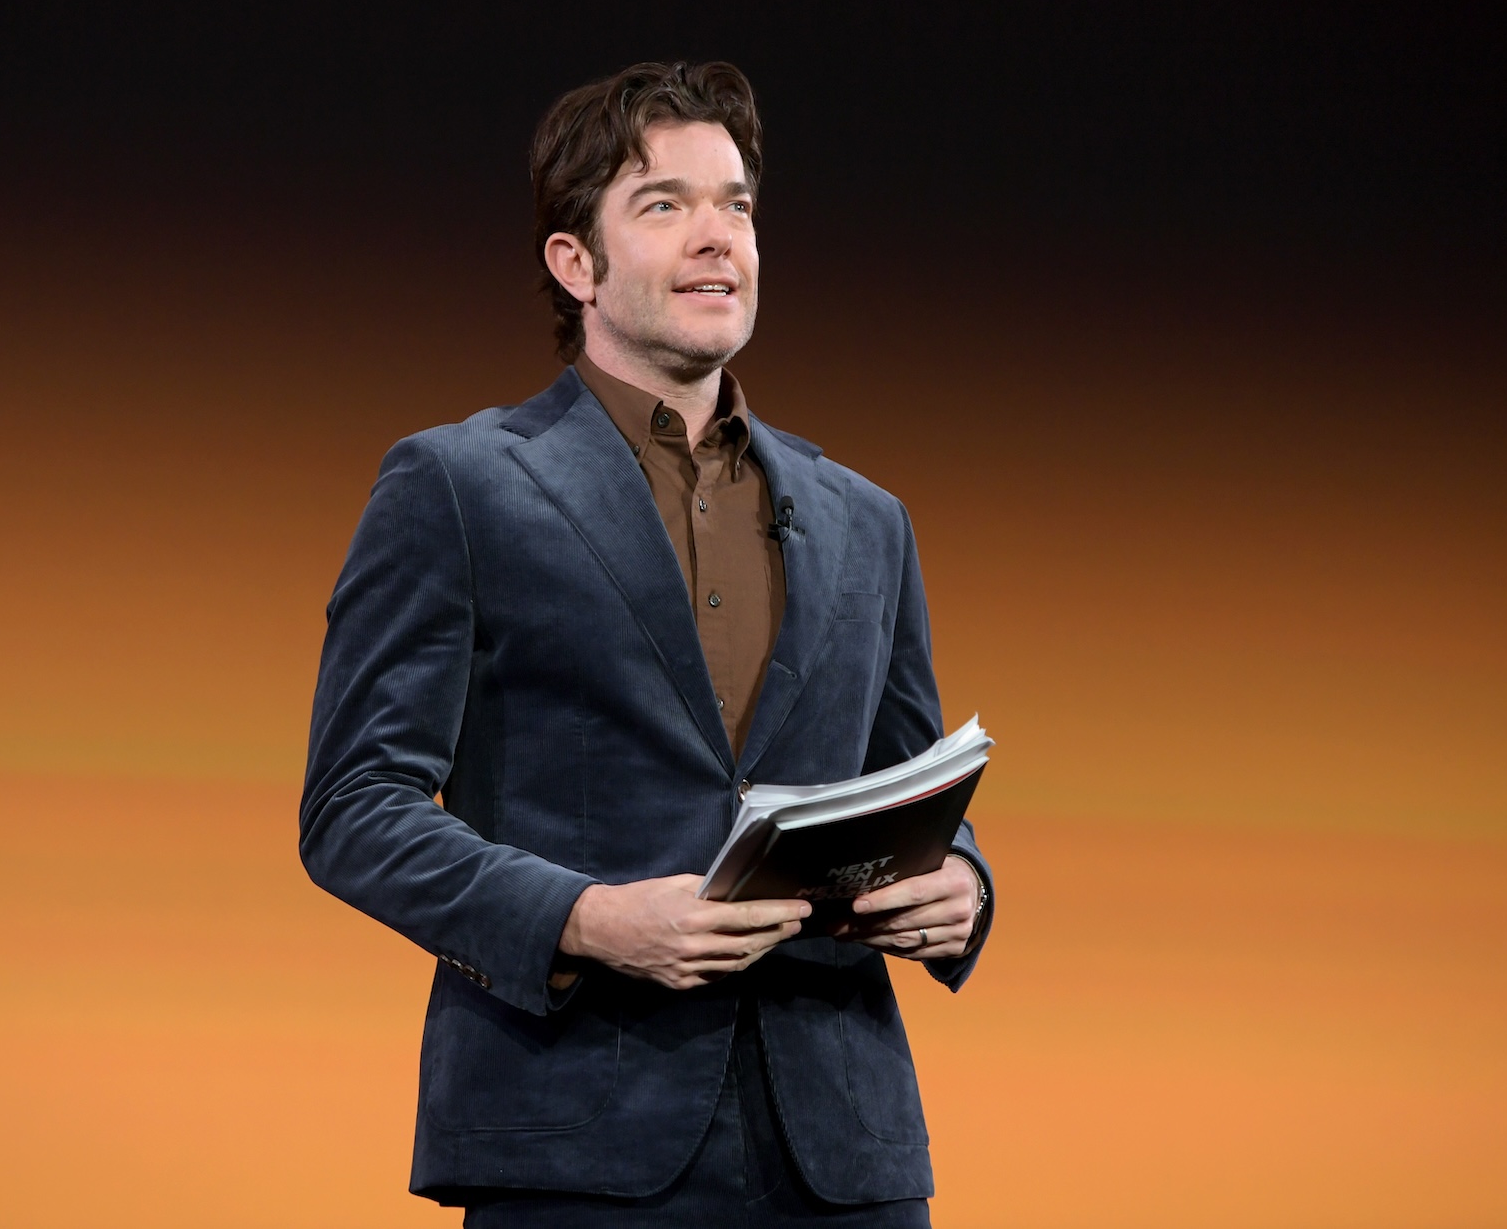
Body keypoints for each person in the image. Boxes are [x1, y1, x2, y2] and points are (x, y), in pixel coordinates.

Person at [299, 60, 994, 1227]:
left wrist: (962, 880)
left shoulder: (867, 518)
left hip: (842, 1155)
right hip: (575, 1145)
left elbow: (910, 786)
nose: (716, 236)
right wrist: (586, 918)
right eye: (663, 204)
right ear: (575, 265)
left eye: (736, 205)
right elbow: (353, 807)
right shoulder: (458, 485)